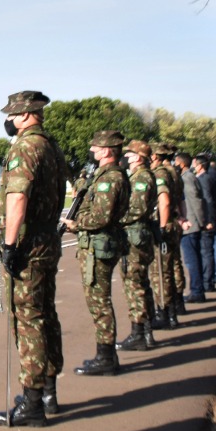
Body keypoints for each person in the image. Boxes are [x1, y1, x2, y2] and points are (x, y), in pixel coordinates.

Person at [0, 90, 69, 430]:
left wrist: (9, 244)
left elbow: (18, 195)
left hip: (28, 243)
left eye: (11, 115)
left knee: (28, 319)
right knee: (45, 313)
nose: (8, 120)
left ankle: (33, 400)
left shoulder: (25, 147)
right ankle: (48, 390)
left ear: (24, 115)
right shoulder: (51, 145)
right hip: (47, 239)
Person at [63, 130, 128, 376]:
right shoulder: (106, 176)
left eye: (97, 147)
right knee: (99, 302)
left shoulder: (110, 178)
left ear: (107, 151)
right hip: (100, 243)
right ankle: (106, 354)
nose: (93, 151)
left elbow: (102, 216)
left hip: (99, 246)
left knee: (99, 303)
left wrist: (76, 224)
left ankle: (106, 357)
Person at [116, 140, 158, 351]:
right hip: (135, 234)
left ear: (139, 157)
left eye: (130, 155)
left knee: (135, 284)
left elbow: (137, 208)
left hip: (135, 234)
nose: (127, 157)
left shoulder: (142, 177)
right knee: (139, 283)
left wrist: (116, 218)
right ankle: (146, 331)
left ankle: (139, 332)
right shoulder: (137, 176)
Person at [149, 143, 182, 328]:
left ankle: (165, 312)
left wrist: (161, 226)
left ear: (155, 157)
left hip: (165, 223)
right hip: (173, 221)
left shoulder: (161, 174)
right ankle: (173, 308)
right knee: (172, 266)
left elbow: (165, 201)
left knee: (160, 272)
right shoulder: (174, 172)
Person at [175, 153, 207, 303]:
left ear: (181, 164)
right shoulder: (190, 176)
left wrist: (199, 221)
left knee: (191, 260)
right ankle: (198, 289)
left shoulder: (186, 178)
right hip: (192, 222)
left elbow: (195, 201)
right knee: (195, 258)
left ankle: (197, 291)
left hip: (189, 223)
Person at [194, 155, 216, 291]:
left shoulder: (203, 179)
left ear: (200, 166)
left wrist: (209, 220)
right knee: (206, 250)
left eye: (195, 164)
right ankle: (208, 280)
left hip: (206, 220)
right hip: (208, 218)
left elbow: (208, 200)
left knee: (206, 251)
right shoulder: (207, 177)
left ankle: (207, 282)